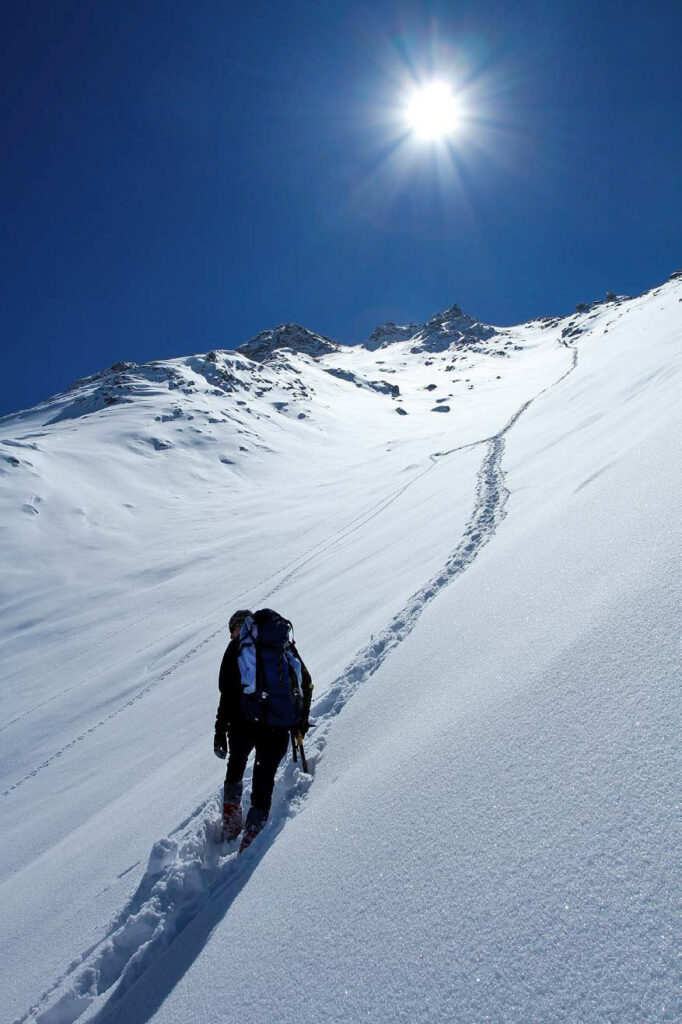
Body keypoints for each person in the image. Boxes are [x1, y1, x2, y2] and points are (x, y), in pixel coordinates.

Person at [214, 608, 313, 853]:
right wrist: (300, 719)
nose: (232, 636)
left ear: (242, 626)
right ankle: (253, 829)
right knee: (263, 775)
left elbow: (226, 694)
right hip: (276, 723)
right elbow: (304, 681)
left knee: (237, 764)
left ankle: (231, 815)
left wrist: (220, 730)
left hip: (243, 723)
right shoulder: (280, 645)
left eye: (233, 630)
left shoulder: (238, 649)